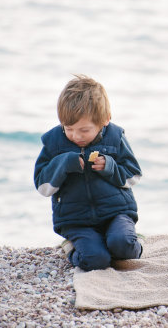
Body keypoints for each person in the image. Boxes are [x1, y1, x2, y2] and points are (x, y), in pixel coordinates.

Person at [34, 75, 143, 271]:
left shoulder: (115, 137)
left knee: (123, 247)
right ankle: (71, 247)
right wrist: (64, 162)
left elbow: (133, 175)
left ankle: (131, 239)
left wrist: (109, 167)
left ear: (105, 121)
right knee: (96, 260)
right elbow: (43, 188)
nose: (76, 136)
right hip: (76, 221)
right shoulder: (53, 142)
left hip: (116, 213)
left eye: (84, 130)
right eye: (69, 129)